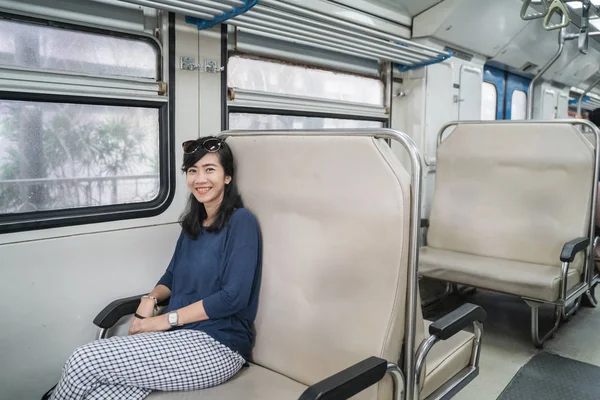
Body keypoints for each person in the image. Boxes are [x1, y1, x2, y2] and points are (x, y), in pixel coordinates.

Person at [49, 136, 262, 400]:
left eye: (210, 170)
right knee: (97, 394)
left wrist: (161, 321)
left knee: (83, 360)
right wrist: (149, 299)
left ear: (227, 177)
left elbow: (233, 297)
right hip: (178, 338)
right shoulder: (193, 225)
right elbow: (171, 276)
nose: (200, 179)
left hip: (218, 345)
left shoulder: (241, 222)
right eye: (193, 171)